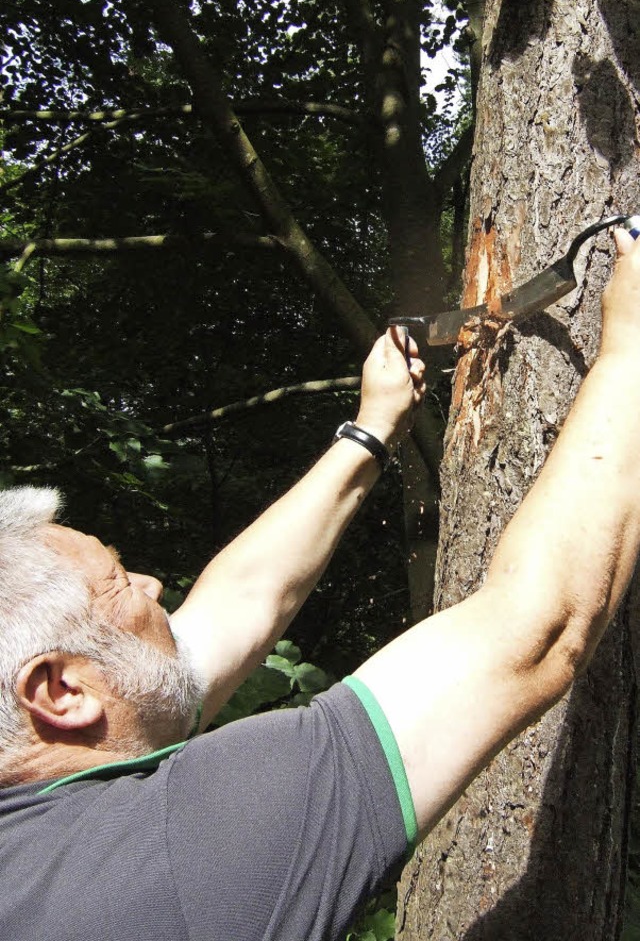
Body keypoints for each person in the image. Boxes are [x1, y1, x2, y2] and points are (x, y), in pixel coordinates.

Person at [1, 228, 639, 941]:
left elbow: (233, 610)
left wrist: (371, 428)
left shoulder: (33, 848)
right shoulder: (176, 854)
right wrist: (632, 354)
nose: (152, 584)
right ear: (59, 690)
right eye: (118, 584)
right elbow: (535, 628)